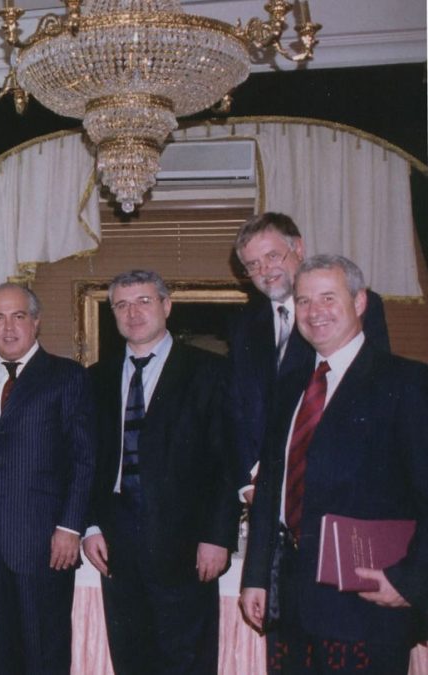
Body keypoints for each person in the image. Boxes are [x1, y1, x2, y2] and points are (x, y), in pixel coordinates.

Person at [240, 254, 427, 674]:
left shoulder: (408, 383)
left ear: (360, 302)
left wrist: (411, 581)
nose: (314, 312)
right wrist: (256, 576)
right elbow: (271, 488)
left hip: (367, 605)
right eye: (304, 301)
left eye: (328, 297)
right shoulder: (290, 386)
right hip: (289, 602)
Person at [82, 269, 238, 675]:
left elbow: (227, 461)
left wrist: (217, 535)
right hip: (116, 542)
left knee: (186, 659)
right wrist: (91, 525)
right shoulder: (96, 378)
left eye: (144, 301)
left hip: (186, 541)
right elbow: (88, 461)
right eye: (122, 305)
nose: (133, 313)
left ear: (167, 306)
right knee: (131, 657)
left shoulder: (210, 371)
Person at [0, 282, 96, 674]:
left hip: (45, 542)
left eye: (18, 316)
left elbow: (84, 459)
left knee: (43, 651)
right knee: (0, 652)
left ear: (36, 321)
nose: (8, 328)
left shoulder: (67, 377)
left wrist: (70, 527)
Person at [228, 212, 390, 504]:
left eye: (272, 256)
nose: (265, 271)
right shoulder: (244, 325)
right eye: (253, 265)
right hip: (266, 493)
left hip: (338, 486)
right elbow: (239, 409)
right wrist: (248, 481)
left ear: (298, 248)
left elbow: (372, 397)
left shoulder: (351, 307)